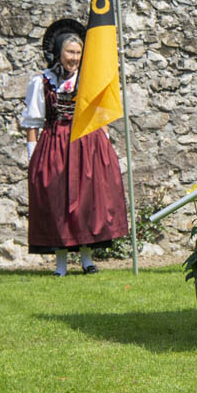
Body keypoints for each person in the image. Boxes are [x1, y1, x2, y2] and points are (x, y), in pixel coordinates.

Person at [20, 18, 128, 276]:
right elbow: (33, 120)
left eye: (79, 52)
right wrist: (32, 154)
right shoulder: (41, 82)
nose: (75, 57)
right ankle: (60, 263)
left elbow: (101, 115)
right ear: (58, 52)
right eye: (70, 52)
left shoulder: (90, 80)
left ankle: (87, 258)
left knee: (89, 200)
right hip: (55, 142)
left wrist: (107, 148)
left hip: (87, 143)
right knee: (56, 200)